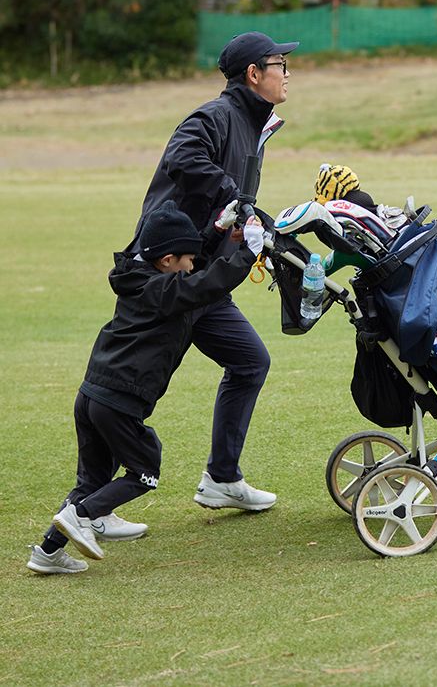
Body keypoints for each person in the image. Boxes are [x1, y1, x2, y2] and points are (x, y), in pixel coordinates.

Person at [27, 202, 269, 575]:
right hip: (119, 402)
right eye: (188, 259)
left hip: (91, 394)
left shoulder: (140, 274)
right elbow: (204, 285)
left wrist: (217, 232)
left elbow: (186, 267)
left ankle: (47, 551)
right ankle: (84, 515)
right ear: (167, 260)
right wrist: (248, 253)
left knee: (93, 480)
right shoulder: (164, 291)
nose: (192, 265)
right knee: (144, 470)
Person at [126, 31, 298, 519]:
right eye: (279, 63)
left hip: (205, 281)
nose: (287, 72)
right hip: (169, 279)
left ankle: (222, 478)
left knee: (249, 362)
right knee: (128, 388)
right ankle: (88, 505)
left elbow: (233, 209)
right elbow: (183, 159)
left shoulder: (252, 124)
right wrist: (234, 197)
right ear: (253, 74)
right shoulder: (216, 116)